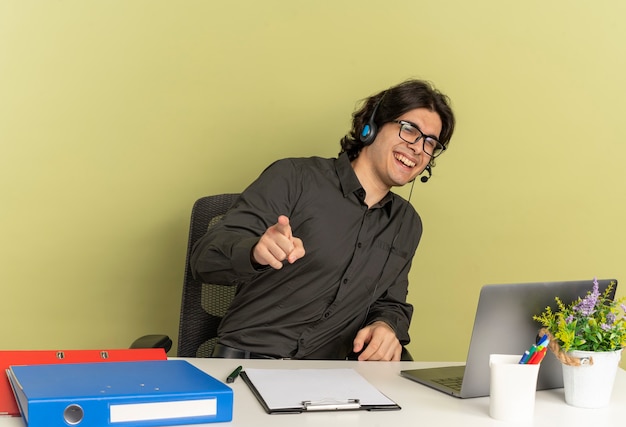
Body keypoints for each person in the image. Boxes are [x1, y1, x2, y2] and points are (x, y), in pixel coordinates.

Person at [190, 79, 455, 361]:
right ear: (373, 126)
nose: (418, 148)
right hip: (253, 364)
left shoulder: (406, 223)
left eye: (430, 143)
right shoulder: (293, 177)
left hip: (331, 380)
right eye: (409, 130)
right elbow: (205, 258)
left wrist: (386, 325)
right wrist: (255, 251)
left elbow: (390, 301)